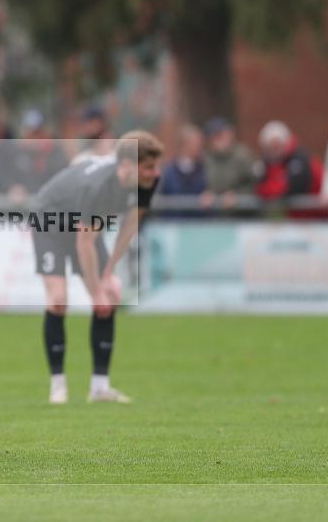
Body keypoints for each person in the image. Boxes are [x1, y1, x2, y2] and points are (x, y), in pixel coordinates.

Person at [30, 130, 163, 405]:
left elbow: (130, 227)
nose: (154, 172)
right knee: (58, 300)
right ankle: (58, 386)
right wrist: (95, 291)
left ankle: (100, 388)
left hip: (85, 228)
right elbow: (84, 244)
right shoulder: (99, 186)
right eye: (148, 167)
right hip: (50, 219)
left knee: (111, 293)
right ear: (127, 165)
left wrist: (107, 275)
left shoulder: (146, 181)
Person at [255, 120, 328, 219]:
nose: (273, 150)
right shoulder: (273, 162)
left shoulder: (301, 160)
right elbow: (260, 188)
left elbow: (293, 188)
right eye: (270, 147)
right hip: (295, 218)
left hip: (316, 217)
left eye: (276, 145)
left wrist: (271, 190)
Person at [202, 117, 257, 213]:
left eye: (220, 134)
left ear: (230, 133)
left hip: (242, 216)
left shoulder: (243, 155)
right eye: (213, 136)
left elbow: (255, 184)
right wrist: (206, 193)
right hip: (217, 216)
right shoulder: (206, 157)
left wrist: (238, 195)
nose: (217, 139)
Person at [157, 124, 208, 218]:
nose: (201, 146)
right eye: (197, 143)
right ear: (186, 144)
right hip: (172, 227)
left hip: (198, 226)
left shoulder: (205, 170)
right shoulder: (168, 172)